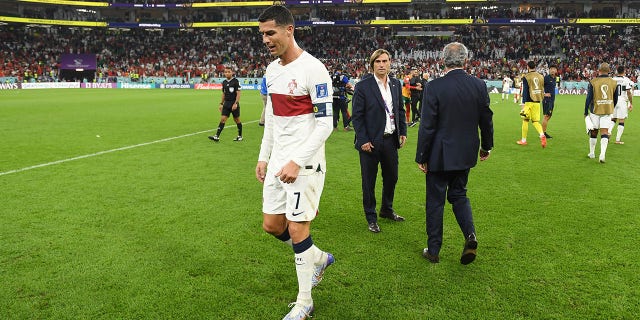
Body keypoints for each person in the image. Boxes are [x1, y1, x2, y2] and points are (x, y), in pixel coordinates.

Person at [255, 5, 335, 320]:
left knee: (298, 228)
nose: (265, 39)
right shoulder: (271, 71)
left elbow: (325, 124)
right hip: (277, 162)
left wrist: (297, 161)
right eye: (262, 34)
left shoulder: (314, 69)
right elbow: (272, 121)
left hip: (306, 163)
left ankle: (304, 302)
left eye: (270, 32)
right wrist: (264, 157)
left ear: (290, 29)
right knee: (272, 225)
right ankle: (317, 257)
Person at [415, 42, 494, 265]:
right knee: (459, 195)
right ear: (465, 60)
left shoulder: (434, 86)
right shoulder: (478, 85)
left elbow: (427, 125)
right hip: (465, 152)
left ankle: (433, 250)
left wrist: (422, 156)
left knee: (435, 201)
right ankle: (470, 235)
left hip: (439, 154)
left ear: (442, 60)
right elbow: (486, 119)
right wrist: (486, 146)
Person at [351, 48, 408, 233]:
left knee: (392, 177)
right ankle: (371, 217)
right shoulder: (363, 86)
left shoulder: (395, 84)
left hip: (390, 139)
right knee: (369, 181)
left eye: (384, 61)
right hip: (371, 142)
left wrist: (403, 131)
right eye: (378, 62)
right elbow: (357, 117)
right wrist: (363, 140)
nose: (381, 65)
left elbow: (399, 110)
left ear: (390, 62)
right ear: (372, 64)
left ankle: (386, 209)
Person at [584, 63, 618, 163]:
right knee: (604, 132)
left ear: (599, 70)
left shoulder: (593, 82)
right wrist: (610, 106)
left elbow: (588, 98)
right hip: (607, 110)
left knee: (594, 131)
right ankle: (602, 154)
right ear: (609, 71)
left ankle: (592, 153)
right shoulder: (614, 82)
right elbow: (615, 99)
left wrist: (585, 111)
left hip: (595, 110)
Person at [516, 61, 547, 148]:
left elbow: (525, 91)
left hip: (529, 101)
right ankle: (542, 135)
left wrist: (523, 103)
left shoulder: (526, 77)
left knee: (525, 120)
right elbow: (542, 88)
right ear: (535, 67)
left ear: (527, 67)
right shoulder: (541, 76)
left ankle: (523, 140)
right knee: (535, 121)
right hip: (537, 101)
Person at [208, 67, 243, 142]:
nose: (227, 73)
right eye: (226, 72)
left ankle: (240, 136)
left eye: (229, 72)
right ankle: (216, 136)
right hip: (226, 103)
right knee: (223, 119)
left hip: (233, 103)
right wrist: (221, 103)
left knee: (237, 120)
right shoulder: (224, 82)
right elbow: (224, 93)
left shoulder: (236, 81)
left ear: (232, 72)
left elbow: (238, 93)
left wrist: (236, 103)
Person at [610, 65, 634, 144]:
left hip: (613, 101)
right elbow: (628, 92)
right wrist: (631, 103)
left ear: (617, 71)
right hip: (622, 101)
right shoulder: (626, 80)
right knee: (621, 120)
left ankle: (608, 133)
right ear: (624, 71)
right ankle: (617, 139)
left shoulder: (612, 79)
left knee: (613, 119)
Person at [331, 67, 353, 131]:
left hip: (334, 97)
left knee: (335, 112)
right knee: (344, 112)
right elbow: (349, 85)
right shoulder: (343, 76)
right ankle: (346, 127)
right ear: (341, 70)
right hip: (341, 97)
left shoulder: (332, 76)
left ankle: (334, 127)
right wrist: (345, 86)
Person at [541, 65, 558, 139]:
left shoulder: (554, 78)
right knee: (546, 116)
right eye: (551, 69)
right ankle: (543, 134)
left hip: (552, 100)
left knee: (549, 116)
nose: (552, 70)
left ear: (556, 70)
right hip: (547, 100)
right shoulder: (546, 78)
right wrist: (544, 94)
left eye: (554, 69)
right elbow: (539, 86)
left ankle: (543, 133)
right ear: (549, 70)